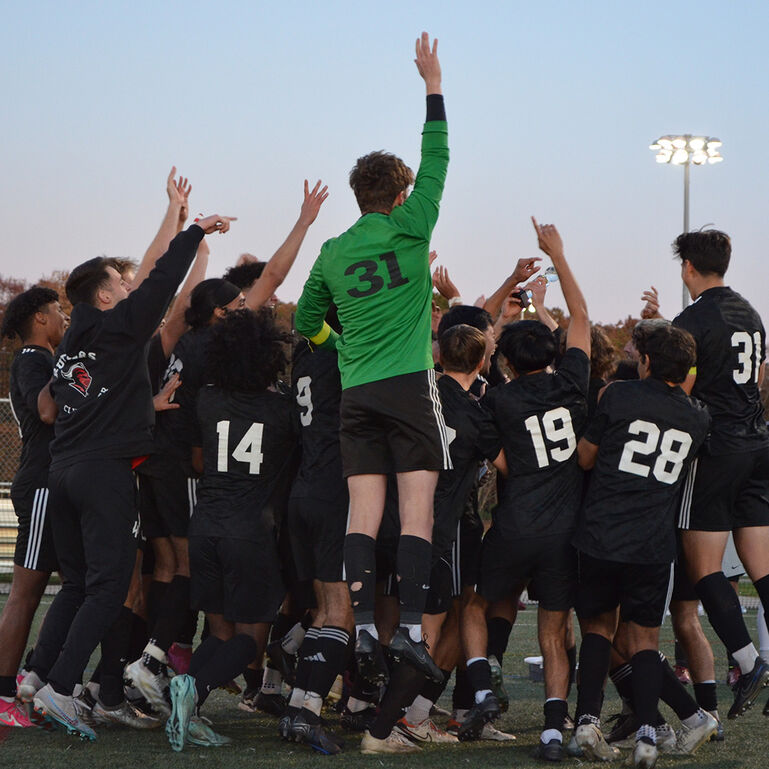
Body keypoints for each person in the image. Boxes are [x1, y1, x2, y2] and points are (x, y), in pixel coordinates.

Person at [20, 212, 234, 740]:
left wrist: (143, 405)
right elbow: (163, 283)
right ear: (106, 296)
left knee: (77, 585)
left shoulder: (72, 344)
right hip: (103, 472)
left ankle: (37, 676)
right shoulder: (118, 328)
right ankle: (62, 690)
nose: (129, 284)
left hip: (64, 471)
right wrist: (194, 234)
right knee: (110, 587)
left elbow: (70, 403)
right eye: (120, 282)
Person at [294, 35, 448, 718]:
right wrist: (432, 83)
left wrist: (342, 338)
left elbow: (304, 322)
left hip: (354, 391)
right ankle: (409, 629)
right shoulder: (412, 225)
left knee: (364, 510)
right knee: (416, 509)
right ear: (399, 192)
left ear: (357, 196)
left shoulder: (331, 250)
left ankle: (359, 630)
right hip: (409, 385)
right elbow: (439, 153)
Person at [468, 218, 590, 760]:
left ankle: (483, 679)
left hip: (517, 521)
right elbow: (582, 318)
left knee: (475, 604)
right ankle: (551, 730)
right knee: (554, 629)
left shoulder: (501, 399)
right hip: (566, 528)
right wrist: (558, 255)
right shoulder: (572, 383)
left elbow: (503, 464)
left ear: (510, 364)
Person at [574, 324, 714, 767]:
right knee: (645, 641)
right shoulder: (698, 415)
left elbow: (585, 457)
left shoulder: (617, 396)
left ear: (647, 362)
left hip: (602, 531)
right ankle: (650, 736)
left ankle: (586, 721)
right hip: (653, 540)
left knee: (598, 627)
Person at [165, 308, 296, 751]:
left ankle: (189, 705)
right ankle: (191, 690)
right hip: (250, 531)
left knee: (219, 631)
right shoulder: (283, 410)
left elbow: (199, 460)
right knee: (249, 640)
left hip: (204, 527)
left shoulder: (206, 398)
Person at [667, 230, 769, 718]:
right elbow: (759, 378)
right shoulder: (750, 312)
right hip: (758, 442)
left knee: (702, 567)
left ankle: (749, 662)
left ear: (688, 267)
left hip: (717, 449)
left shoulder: (691, 319)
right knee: (762, 567)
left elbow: (679, 388)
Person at [0, 287, 67, 728]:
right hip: (41, 486)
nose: (64, 316)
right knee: (26, 593)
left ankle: (39, 677)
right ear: (40, 319)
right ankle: (5, 694)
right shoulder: (31, 358)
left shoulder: (43, 360)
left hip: (57, 485)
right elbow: (47, 412)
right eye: (58, 310)